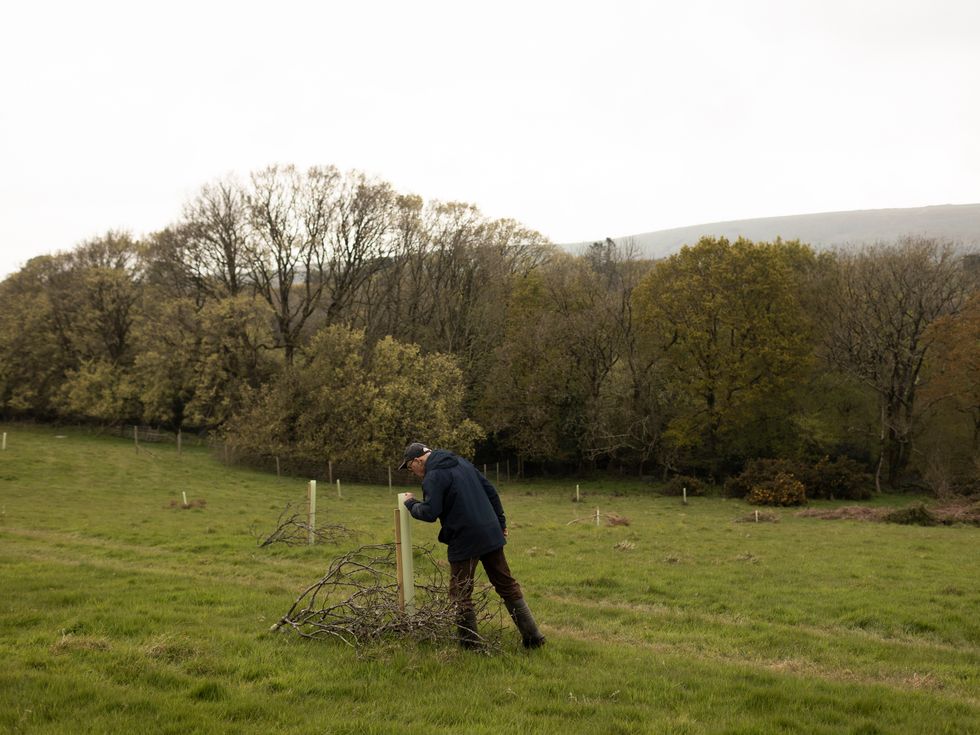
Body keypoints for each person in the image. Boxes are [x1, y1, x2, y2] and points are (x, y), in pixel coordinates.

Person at [399, 442, 545, 649]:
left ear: (417, 460)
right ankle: (534, 638)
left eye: (409, 467)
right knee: (506, 584)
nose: (411, 472)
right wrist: (500, 523)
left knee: (460, 593)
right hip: (489, 531)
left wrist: (410, 504)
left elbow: (430, 513)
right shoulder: (461, 462)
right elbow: (491, 492)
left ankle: (470, 646)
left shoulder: (433, 476)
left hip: (464, 537)